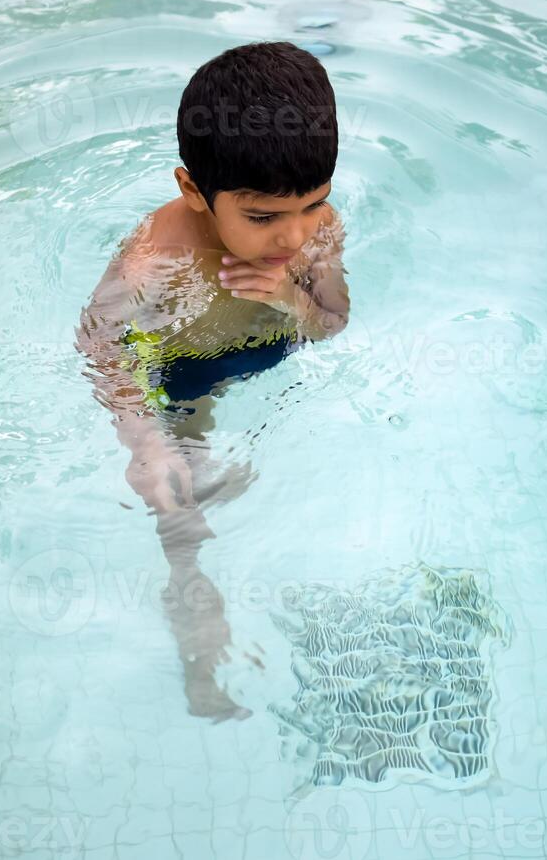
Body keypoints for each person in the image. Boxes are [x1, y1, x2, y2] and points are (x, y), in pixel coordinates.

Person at [75, 40, 350, 720]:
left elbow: (332, 322)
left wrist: (292, 298)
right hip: (186, 370)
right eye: (262, 217)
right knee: (178, 502)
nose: (293, 237)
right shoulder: (153, 260)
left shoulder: (318, 233)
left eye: (313, 204)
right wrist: (145, 441)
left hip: (268, 351)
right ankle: (199, 640)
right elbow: (102, 348)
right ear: (194, 191)